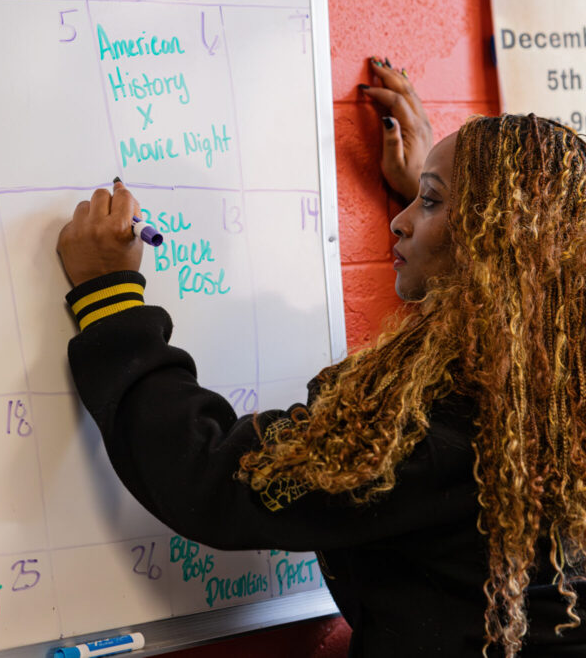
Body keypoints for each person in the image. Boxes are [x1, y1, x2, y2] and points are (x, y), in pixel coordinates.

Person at [56, 59, 586, 657]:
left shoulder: (434, 430)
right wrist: (429, 195)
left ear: (493, 243)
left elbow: (211, 478)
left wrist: (110, 301)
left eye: (432, 203)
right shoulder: (551, 376)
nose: (399, 221)